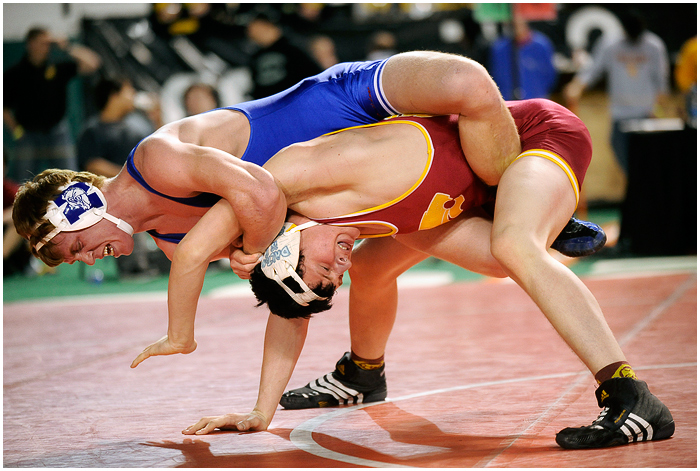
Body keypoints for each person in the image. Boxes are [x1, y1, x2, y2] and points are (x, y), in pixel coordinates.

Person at [13, 51, 608, 445]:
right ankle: (363, 372)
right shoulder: (172, 246)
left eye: (75, 247)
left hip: (343, 106)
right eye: (75, 262)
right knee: (456, 264)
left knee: (466, 86)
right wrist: (261, 409)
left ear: (77, 206)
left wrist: (223, 275)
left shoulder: (156, 161)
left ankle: (524, 202)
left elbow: (260, 192)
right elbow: (285, 287)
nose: (86, 259)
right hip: (358, 188)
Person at [179, 99, 673, 450]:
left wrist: (196, 303)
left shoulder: (309, 173)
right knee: (376, 265)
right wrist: (260, 412)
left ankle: (629, 395)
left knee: (512, 246)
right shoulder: (319, 233)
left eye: (325, 266)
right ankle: (362, 374)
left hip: (532, 136)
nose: (339, 265)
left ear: (288, 241)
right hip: (452, 199)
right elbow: (292, 307)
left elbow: (202, 242)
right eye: (334, 278)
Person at [563, 8, 670, 174]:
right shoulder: (610, 44)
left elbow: (661, 82)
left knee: (648, 165)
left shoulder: (654, 46)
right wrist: (576, 86)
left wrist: (658, 111)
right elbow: (593, 70)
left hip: (646, 115)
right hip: (621, 115)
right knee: (625, 162)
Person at [77, 76, 165, 277]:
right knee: (128, 201)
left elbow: (162, 149)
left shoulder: (137, 127)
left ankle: (175, 255)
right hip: (106, 196)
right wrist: (129, 175)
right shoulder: (92, 131)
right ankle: (134, 265)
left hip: (142, 190)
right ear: (114, 96)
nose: (133, 96)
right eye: (129, 91)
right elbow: (93, 165)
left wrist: (157, 119)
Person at [3, 26, 102, 183]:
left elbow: (93, 63)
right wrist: (17, 131)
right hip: (28, 135)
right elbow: (4, 108)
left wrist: (67, 46)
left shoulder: (57, 67)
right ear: (30, 44)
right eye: (41, 43)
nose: (46, 48)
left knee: (70, 178)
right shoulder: (15, 73)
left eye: (48, 43)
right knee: (23, 182)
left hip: (57, 132)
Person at [244, 7, 322, 100]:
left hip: (294, 102)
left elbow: (313, 76)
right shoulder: (256, 56)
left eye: (258, 28)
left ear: (271, 26)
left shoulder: (292, 48)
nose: (252, 32)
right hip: (270, 104)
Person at [488, 13, 557, 100]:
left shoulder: (542, 45)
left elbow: (550, 76)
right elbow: (496, 76)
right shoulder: (499, 48)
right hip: (507, 101)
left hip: (536, 99)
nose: (517, 23)